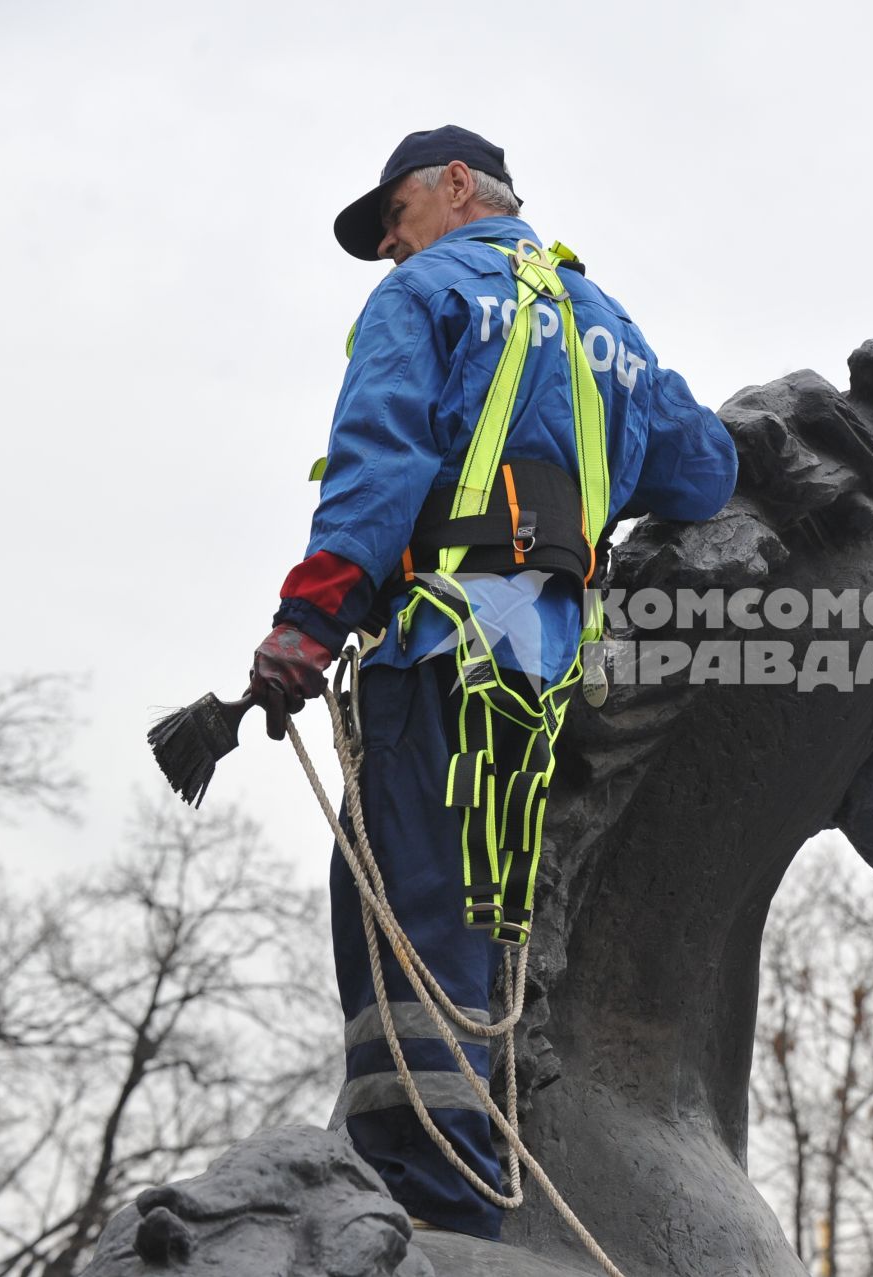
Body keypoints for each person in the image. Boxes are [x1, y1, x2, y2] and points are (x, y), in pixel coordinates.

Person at [244, 125, 737, 1238]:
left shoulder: (428, 294)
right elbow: (706, 470)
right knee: (491, 927)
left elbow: (378, 465)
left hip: (443, 663)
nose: (389, 246)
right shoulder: (602, 318)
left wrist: (307, 622)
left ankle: (430, 1220)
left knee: (403, 928)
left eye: (393, 218)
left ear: (456, 184)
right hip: (558, 688)